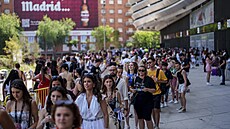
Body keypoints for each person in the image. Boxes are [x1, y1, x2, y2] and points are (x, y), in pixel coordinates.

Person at [147, 57, 167, 129]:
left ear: (154, 62)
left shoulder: (159, 71)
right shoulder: (147, 71)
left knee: (156, 109)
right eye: (148, 63)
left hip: (157, 93)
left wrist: (157, 80)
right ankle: (154, 123)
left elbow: (165, 81)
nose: (149, 64)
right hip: (149, 93)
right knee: (152, 110)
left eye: (150, 62)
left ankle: (157, 125)